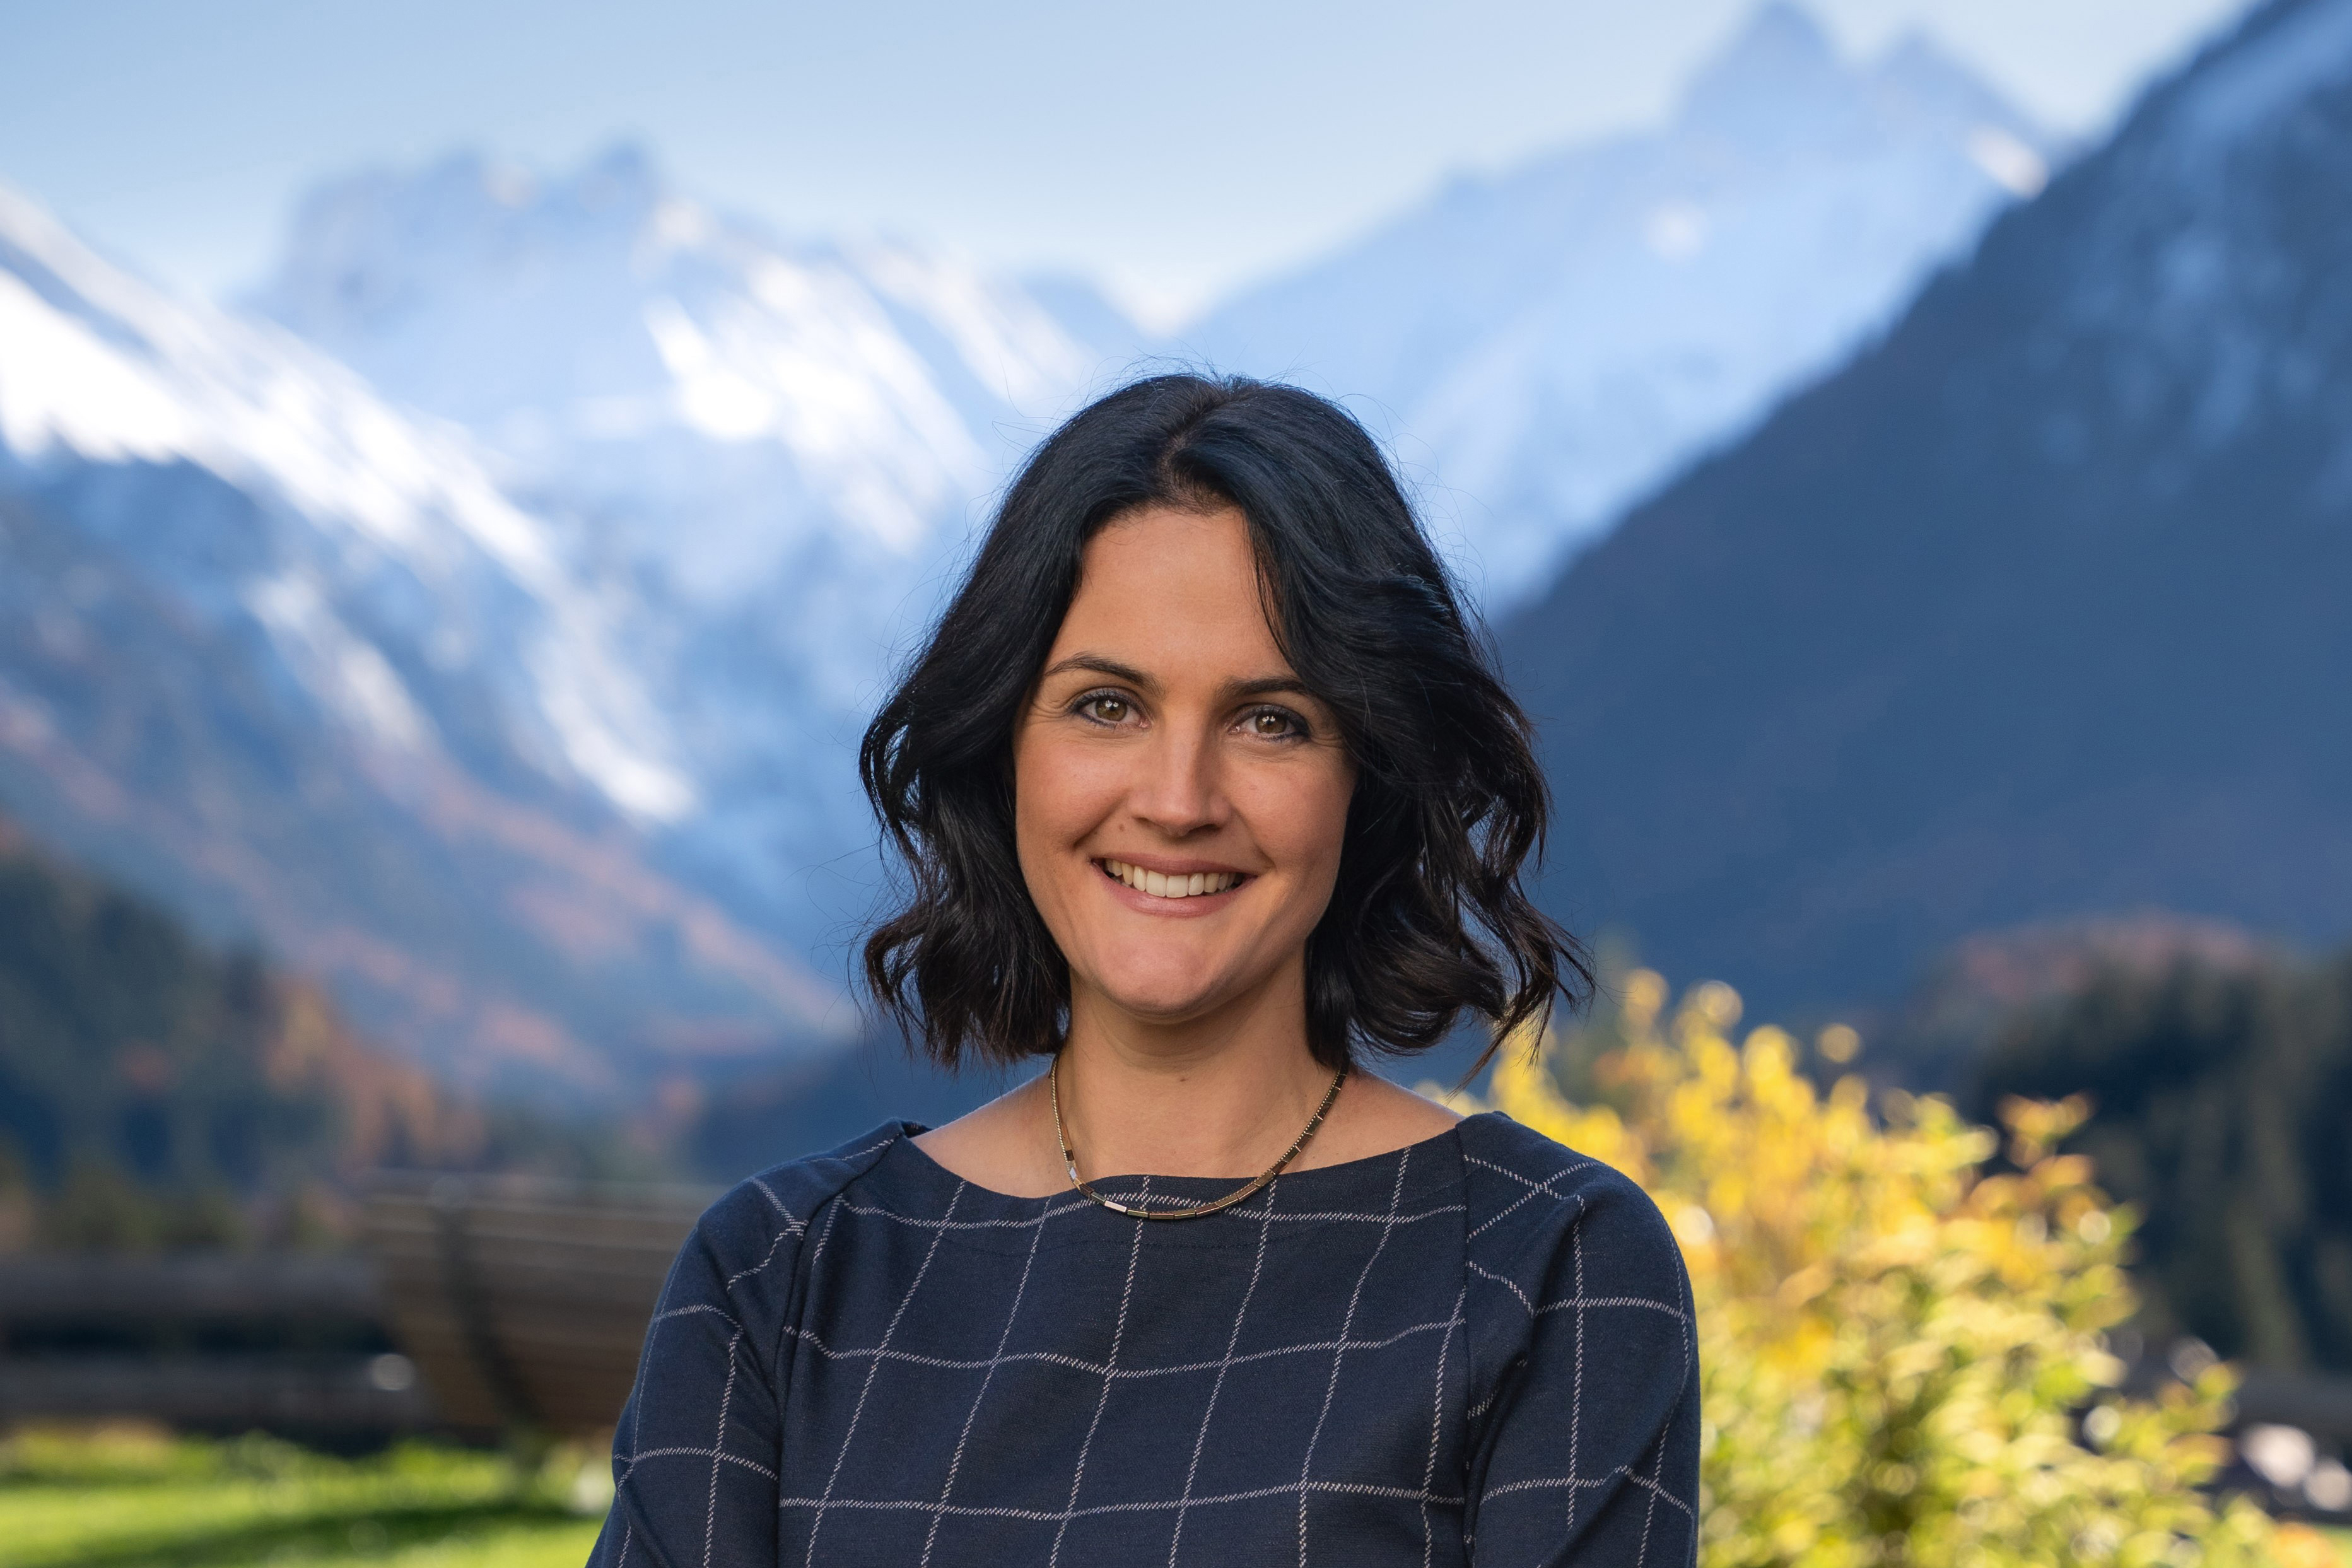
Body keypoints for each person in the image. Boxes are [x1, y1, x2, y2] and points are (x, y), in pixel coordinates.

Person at [588, 375, 1698, 1567]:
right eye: (1107, 705)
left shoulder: (1547, 1265)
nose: (1176, 801)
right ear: (1003, 747)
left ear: (1367, 772)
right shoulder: (783, 1273)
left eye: (1270, 719)